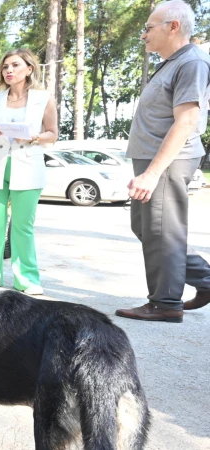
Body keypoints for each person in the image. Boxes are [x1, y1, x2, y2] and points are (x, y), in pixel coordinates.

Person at [115, 0, 210, 323]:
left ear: (173, 26)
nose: (144, 35)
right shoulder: (173, 62)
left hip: (168, 160)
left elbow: (185, 122)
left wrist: (153, 173)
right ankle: (207, 280)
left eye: (148, 27)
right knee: (145, 227)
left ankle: (165, 302)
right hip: (153, 158)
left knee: (162, 231)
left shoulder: (192, 62)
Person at [0, 48, 58, 296]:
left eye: (15, 65)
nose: (9, 70)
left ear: (29, 69)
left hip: (28, 166)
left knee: (23, 227)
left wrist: (34, 137)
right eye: (5, 66)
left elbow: (53, 134)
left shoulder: (44, 99)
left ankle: (27, 280)